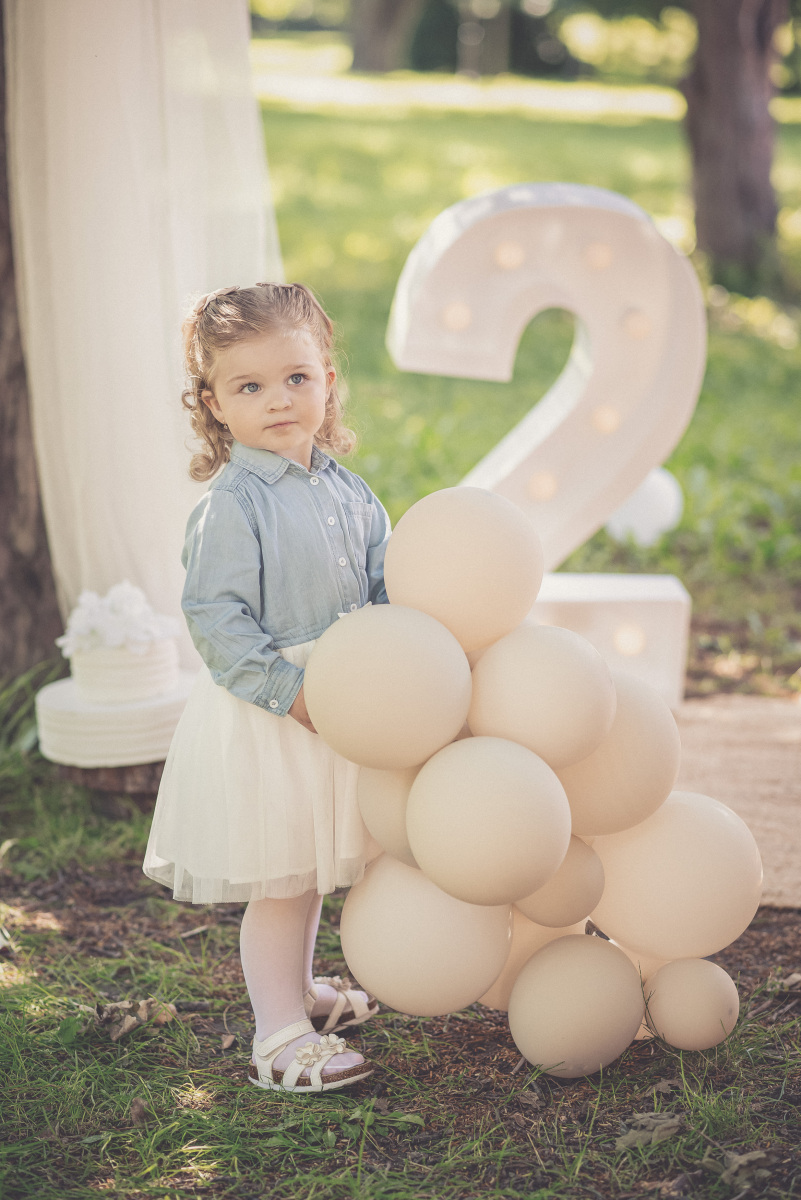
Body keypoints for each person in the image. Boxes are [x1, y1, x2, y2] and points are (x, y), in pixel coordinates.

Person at [143, 282, 391, 1094]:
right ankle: (277, 1036)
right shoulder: (233, 503)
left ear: (327, 380)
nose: (279, 400)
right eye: (249, 386)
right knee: (284, 881)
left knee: (310, 868)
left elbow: (383, 588)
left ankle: (302, 990)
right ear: (214, 404)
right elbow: (216, 620)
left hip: (341, 707)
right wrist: (294, 692)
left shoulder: (348, 489)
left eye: (296, 378)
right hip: (276, 713)